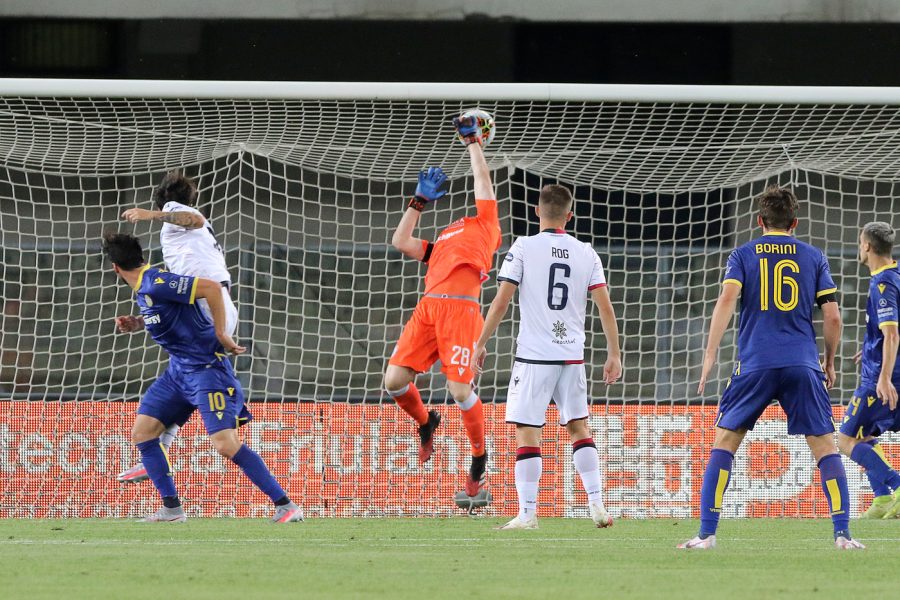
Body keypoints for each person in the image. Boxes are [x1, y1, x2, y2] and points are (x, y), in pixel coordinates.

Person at [678, 186, 864, 550]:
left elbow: (727, 298)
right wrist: (828, 361)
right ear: (794, 223)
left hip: (755, 364)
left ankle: (706, 535)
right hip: (802, 364)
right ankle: (843, 535)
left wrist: (710, 353)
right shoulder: (814, 257)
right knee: (826, 448)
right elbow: (832, 316)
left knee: (725, 443)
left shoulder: (743, 254)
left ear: (759, 221)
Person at [103, 232, 302, 522]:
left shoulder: (157, 281)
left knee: (225, 444)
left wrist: (222, 333)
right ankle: (172, 510)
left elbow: (211, 288)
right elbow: (172, 315)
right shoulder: (146, 288)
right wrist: (138, 322)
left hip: (207, 371)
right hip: (178, 373)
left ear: (115, 268)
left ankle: (286, 505)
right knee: (143, 433)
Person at [473, 184, 622, 530]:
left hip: (535, 356)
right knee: (579, 428)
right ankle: (597, 503)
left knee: (528, 431)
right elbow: (605, 307)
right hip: (572, 356)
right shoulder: (587, 253)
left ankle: (527, 514)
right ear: (570, 215)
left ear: (537, 211)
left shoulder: (524, 247)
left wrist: (480, 342)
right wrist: (614, 353)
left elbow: (502, 300)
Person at [384, 114, 501, 499]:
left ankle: (479, 458)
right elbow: (400, 241)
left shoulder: (486, 224)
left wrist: (473, 145)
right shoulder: (443, 241)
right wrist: (417, 203)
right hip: (429, 308)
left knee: (459, 389)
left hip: (462, 312)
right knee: (394, 382)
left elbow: (482, 181)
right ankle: (426, 422)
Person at [116, 171, 240, 484]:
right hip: (210, 302)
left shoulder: (178, 214)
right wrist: (142, 321)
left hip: (211, 302)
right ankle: (158, 450)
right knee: (181, 370)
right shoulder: (188, 234)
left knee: (188, 370)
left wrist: (152, 214)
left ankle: (224, 412)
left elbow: (194, 220)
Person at [837, 221, 900, 519]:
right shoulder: (896, 275)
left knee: (846, 440)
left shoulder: (883, 284)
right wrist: (873, 344)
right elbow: (888, 332)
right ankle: (882, 498)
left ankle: (895, 485)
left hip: (880, 379)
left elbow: (892, 334)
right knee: (863, 436)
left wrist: (884, 377)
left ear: (866, 245)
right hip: (888, 368)